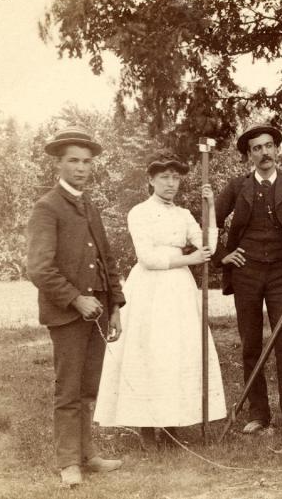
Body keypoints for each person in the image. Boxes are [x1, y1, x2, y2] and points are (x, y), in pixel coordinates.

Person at [94, 151, 226, 447]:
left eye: (176, 177)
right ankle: (146, 427)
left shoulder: (183, 214)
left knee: (176, 354)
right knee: (150, 353)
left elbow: (209, 244)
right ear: (151, 180)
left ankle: (171, 423)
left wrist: (212, 206)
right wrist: (189, 258)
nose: (170, 183)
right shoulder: (139, 212)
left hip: (178, 291)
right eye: (164, 177)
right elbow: (148, 257)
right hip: (150, 290)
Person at [26, 126, 125, 487]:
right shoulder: (47, 207)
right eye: (74, 161)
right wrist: (75, 298)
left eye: (86, 162)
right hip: (68, 315)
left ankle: (88, 455)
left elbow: (107, 259)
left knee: (89, 388)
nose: (81, 168)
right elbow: (39, 267)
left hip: (98, 313)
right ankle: (69, 462)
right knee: (68, 390)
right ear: (60, 164)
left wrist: (114, 305)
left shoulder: (90, 207)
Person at [214, 124, 282, 441]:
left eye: (268, 146)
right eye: (257, 148)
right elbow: (210, 222)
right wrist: (222, 255)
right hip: (246, 273)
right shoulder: (238, 187)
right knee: (251, 345)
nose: (264, 153)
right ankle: (258, 416)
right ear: (249, 155)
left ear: (277, 150)